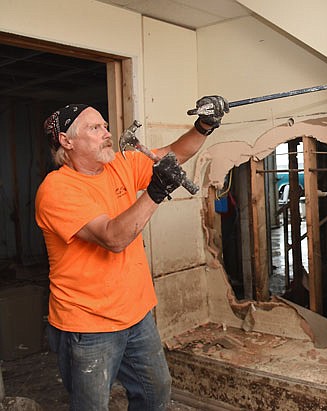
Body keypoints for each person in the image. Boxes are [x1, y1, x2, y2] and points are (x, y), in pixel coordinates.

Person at [34, 96, 229, 411]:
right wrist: (155, 191)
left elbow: (176, 154)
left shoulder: (119, 164)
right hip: (88, 323)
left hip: (137, 314)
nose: (107, 132)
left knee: (156, 394)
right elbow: (113, 238)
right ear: (66, 141)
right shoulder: (57, 191)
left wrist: (205, 125)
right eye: (95, 127)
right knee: (91, 406)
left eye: (105, 126)